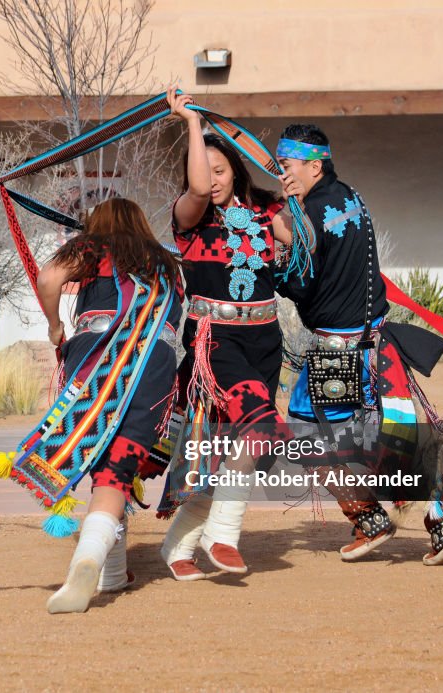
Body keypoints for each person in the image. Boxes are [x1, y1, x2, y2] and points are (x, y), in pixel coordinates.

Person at [275, 123, 443, 566]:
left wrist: (277, 256)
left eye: (287, 167)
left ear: (314, 165)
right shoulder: (350, 197)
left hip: (337, 352)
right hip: (378, 346)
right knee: (397, 435)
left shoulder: (308, 216)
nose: (282, 175)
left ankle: (367, 517)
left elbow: (300, 284)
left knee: (306, 435)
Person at [157, 90, 302, 581]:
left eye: (220, 171)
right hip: (212, 344)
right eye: (204, 169)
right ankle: (224, 535)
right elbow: (197, 189)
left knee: (226, 455)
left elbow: (304, 241)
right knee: (261, 427)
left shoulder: (265, 209)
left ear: (237, 171)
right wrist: (192, 124)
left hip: (265, 341)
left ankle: (177, 546)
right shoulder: (188, 216)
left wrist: (300, 195)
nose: (212, 180)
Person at [34, 197, 183, 614]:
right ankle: (110, 570)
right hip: (154, 363)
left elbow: (48, 280)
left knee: (102, 459)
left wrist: (55, 325)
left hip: (98, 354)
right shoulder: (167, 263)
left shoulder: (90, 246)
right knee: (117, 468)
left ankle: (87, 560)